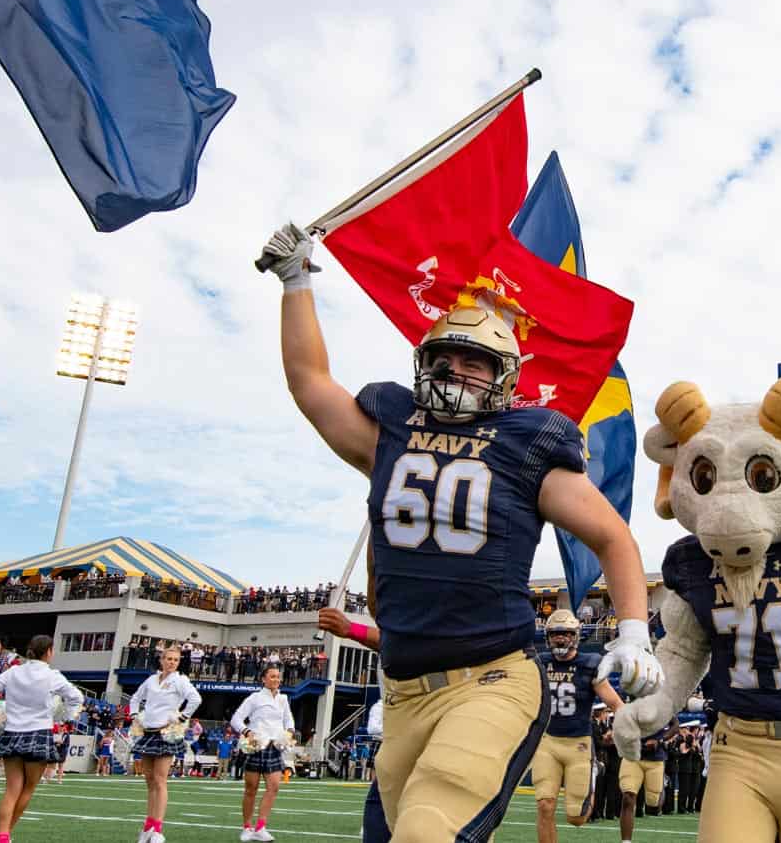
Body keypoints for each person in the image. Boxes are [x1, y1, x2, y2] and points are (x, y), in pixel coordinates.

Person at [262, 222, 660, 842]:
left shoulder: (525, 445)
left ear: (504, 375)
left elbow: (613, 537)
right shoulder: (388, 430)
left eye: (473, 362)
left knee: (429, 829)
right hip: (401, 693)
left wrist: (635, 632)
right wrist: (296, 283)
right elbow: (310, 383)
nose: (454, 371)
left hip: (491, 679)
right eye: (444, 358)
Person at [0, 634, 84, 843]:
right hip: (39, 733)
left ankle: (2, 836)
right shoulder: (53, 676)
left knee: (11, 789)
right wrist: (66, 715)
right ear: (49, 651)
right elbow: (76, 697)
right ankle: (4, 836)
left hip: (12, 733)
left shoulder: (14, 671)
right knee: (28, 788)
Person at [531, 609, 622, 843]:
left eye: (566, 633)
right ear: (548, 637)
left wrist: (619, 729)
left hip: (578, 744)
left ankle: (594, 770)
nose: (560, 638)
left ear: (576, 635)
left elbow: (615, 703)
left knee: (576, 818)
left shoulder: (589, 664)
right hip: (546, 743)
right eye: (555, 634)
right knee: (544, 805)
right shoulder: (539, 663)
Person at [131, 644, 202, 840]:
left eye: (175, 660)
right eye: (168, 659)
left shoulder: (180, 681)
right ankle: (148, 826)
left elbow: (195, 699)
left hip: (166, 733)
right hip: (148, 732)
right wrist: (135, 715)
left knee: (160, 780)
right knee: (149, 780)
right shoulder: (152, 679)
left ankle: (158, 829)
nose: (171, 662)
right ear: (161, 660)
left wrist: (181, 718)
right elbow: (136, 698)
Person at [230, 664, 296, 843]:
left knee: (274, 786)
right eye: (272, 676)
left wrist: (289, 731)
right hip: (256, 746)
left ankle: (261, 827)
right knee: (251, 789)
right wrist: (247, 732)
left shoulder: (283, 699)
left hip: (274, 747)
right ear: (264, 679)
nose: (276, 679)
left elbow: (288, 719)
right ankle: (246, 827)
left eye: (278, 677)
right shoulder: (255, 698)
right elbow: (236, 719)